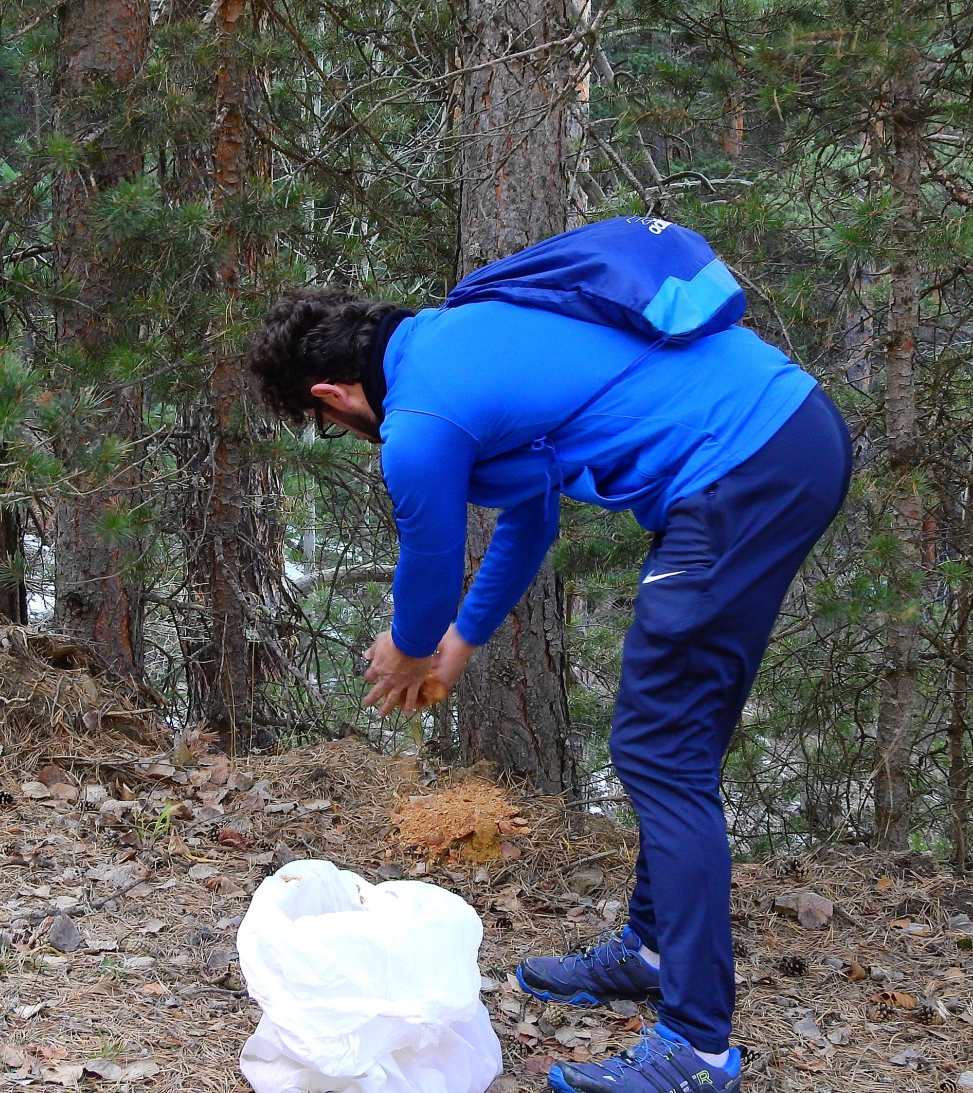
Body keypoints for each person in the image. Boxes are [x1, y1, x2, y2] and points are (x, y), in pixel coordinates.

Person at [246, 279, 851, 1093]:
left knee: (660, 750)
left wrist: (411, 647)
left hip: (744, 463)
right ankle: (654, 948)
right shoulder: (449, 343)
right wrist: (460, 644)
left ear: (332, 392)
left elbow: (425, 574)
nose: (344, 432)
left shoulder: (417, 424)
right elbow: (531, 516)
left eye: (328, 422)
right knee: (673, 738)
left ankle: (697, 1050)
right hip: (777, 440)